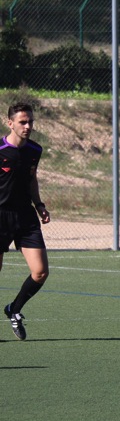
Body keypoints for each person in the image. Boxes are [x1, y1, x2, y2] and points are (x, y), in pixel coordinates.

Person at [0, 103, 51, 341]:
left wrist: (39, 205)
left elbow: (32, 179)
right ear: (9, 123)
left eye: (30, 121)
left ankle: (14, 309)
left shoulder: (35, 149)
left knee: (40, 272)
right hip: (0, 216)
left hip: (25, 216)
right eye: (23, 122)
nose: (28, 126)